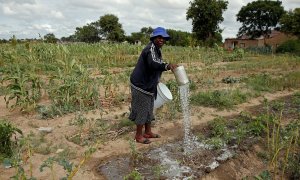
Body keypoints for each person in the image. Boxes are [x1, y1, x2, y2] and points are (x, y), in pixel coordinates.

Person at [129, 27, 178, 144]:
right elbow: (153, 63)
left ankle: (148, 132)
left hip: (149, 84)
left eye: (163, 38)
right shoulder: (150, 49)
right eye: (159, 37)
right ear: (153, 38)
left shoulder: (157, 49)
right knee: (142, 109)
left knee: (149, 108)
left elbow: (157, 63)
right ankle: (138, 136)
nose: (161, 40)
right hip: (140, 84)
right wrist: (167, 66)